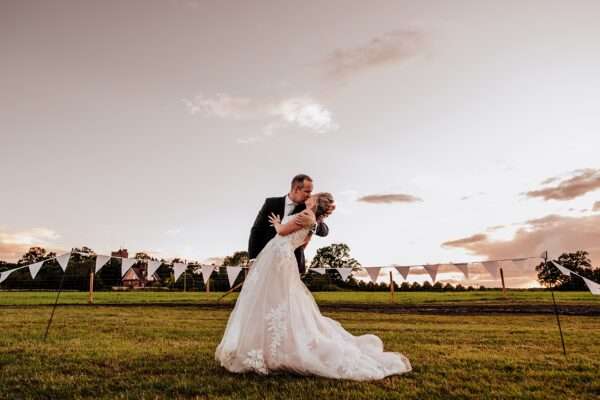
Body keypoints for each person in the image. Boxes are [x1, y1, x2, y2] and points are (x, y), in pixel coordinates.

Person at [215, 192, 412, 380]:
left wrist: (276, 223)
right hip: (283, 257)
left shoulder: (307, 215)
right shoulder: (310, 219)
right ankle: (271, 348)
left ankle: (270, 349)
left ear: (316, 202)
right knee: (278, 300)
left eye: (313, 196)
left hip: (277, 256)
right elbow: (303, 244)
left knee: (272, 298)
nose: (309, 197)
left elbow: (283, 231)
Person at [248, 174, 330, 274]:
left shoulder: (309, 207)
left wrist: (313, 224)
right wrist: (253, 259)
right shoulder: (271, 203)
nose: (310, 195)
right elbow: (256, 230)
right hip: (266, 261)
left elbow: (325, 231)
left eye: (311, 192)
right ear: (296, 189)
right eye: (307, 191)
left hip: (292, 263)